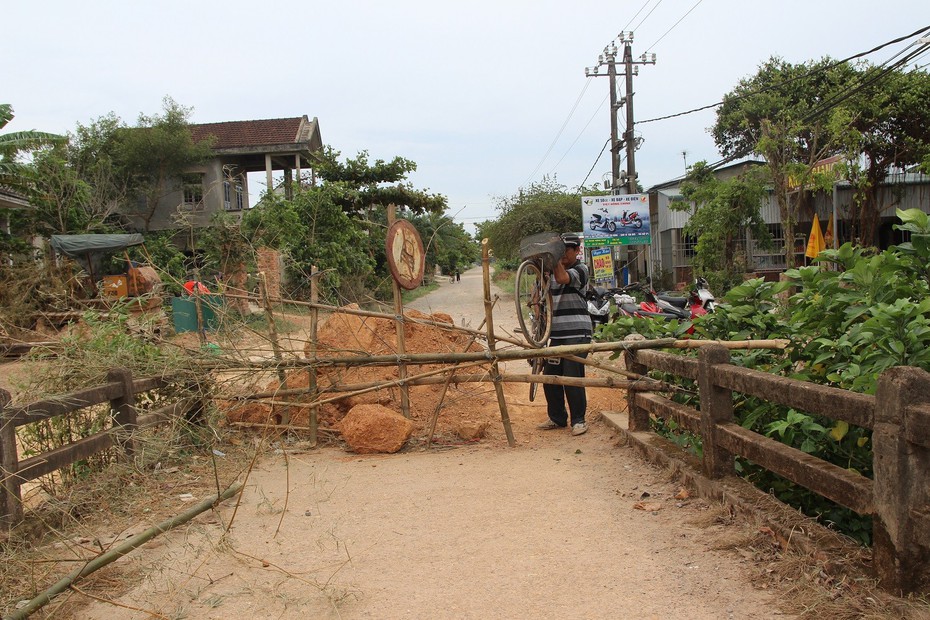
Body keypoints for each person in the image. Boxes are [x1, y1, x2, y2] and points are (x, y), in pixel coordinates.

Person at [537, 233, 592, 436]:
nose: (562, 254)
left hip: (578, 332)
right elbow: (540, 301)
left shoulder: (581, 269)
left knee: (571, 374)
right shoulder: (549, 275)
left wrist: (554, 259)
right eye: (559, 249)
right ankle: (557, 417)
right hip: (557, 334)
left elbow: (562, 278)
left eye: (565, 250)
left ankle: (579, 420)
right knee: (550, 376)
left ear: (577, 251)